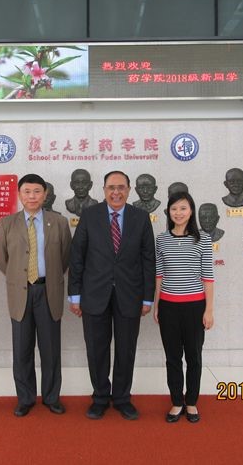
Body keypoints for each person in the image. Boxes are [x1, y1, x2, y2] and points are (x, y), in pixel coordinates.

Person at [68, 171, 156, 421]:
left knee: (126, 350)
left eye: (121, 187)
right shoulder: (90, 215)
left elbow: (148, 259)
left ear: (129, 190)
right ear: (104, 190)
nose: (116, 192)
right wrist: (75, 295)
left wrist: (147, 298)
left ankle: (122, 398)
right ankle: (99, 398)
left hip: (130, 294)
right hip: (94, 294)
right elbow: (77, 256)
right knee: (96, 350)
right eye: (111, 188)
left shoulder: (140, 217)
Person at [0, 174, 72, 417]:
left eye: (37, 191)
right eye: (27, 192)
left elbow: (66, 257)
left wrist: (49, 276)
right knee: (22, 349)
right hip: (20, 293)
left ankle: (51, 397)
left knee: (50, 350)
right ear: (19, 195)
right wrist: (19, 276)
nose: (32, 196)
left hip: (49, 291)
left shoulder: (59, 222)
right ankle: (25, 398)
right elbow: (0, 258)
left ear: (45, 194)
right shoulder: (7, 223)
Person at [153, 191, 214, 424]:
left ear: (191, 211)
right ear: (168, 212)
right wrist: (157, 304)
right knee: (172, 357)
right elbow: (159, 275)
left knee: (194, 356)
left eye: (183, 208)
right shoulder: (162, 239)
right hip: (168, 307)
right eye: (174, 208)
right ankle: (177, 401)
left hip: (195, 307)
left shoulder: (203, 239)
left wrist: (209, 310)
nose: (178, 213)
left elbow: (208, 277)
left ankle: (191, 402)